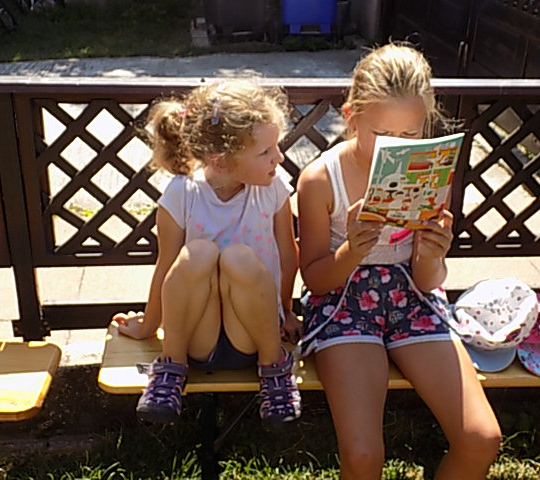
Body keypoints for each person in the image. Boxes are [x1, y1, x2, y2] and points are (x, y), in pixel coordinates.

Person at [296, 42, 502, 479]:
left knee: (481, 439)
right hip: (344, 303)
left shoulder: (430, 172)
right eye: (383, 134)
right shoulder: (321, 179)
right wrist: (353, 250)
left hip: (413, 300)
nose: (397, 148)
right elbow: (315, 281)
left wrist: (433, 253)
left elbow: (428, 282)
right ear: (351, 117)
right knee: (364, 457)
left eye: (410, 135)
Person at [113, 80, 302, 427]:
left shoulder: (273, 189)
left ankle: (275, 369)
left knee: (239, 258)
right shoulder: (181, 193)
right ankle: (170, 368)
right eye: (265, 152)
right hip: (197, 339)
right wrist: (148, 326)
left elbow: (288, 256)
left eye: (276, 146)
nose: (279, 157)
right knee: (198, 253)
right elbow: (167, 268)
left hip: (255, 335)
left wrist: (287, 312)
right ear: (222, 162)